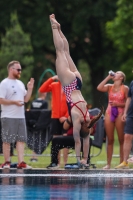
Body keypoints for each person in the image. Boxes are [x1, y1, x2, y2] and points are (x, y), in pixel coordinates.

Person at [49, 14, 102, 167]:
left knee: (66, 53)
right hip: (69, 84)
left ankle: (59, 29)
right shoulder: (77, 117)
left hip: (78, 82)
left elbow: (86, 140)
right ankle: (53, 26)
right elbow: (78, 140)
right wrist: (79, 161)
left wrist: (84, 159)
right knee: (59, 52)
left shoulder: (88, 116)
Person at [0, 60, 34, 169]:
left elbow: (26, 99)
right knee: (7, 140)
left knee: (20, 140)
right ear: (11, 69)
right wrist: (14, 102)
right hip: (8, 116)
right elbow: (1, 100)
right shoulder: (4, 83)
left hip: (20, 116)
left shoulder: (20, 83)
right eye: (18, 69)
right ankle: (6, 162)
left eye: (20, 69)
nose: (20, 71)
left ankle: (21, 162)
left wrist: (30, 89)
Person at [97, 71, 129, 169]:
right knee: (110, 139)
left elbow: (129, 102)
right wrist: (108, 77)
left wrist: (118, 104)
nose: (115, 73)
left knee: (121, 139)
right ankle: (108, 164)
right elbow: (99, 87)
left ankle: (122, 162)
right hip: (109, 112)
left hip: (120, 113)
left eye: (118, 73)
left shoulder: (125, 88)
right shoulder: (109, 87)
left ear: (121, 78)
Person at [39, 75, 69, 167]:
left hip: (66, 118)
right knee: (56, 140)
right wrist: (52, 78)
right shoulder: (54, 85)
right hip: (55, 116)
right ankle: (56, 162)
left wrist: (66, 116)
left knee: (65, 139)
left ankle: (65, 163)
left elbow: (72, 102)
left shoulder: (70, 87)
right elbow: (42, 89)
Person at [115, 80, 133, 169]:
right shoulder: (132, 82)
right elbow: (129, 98)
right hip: (131, 114)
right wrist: (125, 113)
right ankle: (125, 162)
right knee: (127, 136)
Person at [30, 92, 48, 162]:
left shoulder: (33, 102)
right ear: (45, 94)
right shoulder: (44, 103)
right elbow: (45, 113)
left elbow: (31, 112)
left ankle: (33, 155)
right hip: (40, 123)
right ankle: (34, 156)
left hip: (32, 122)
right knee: (39, 139)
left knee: (34, 139)